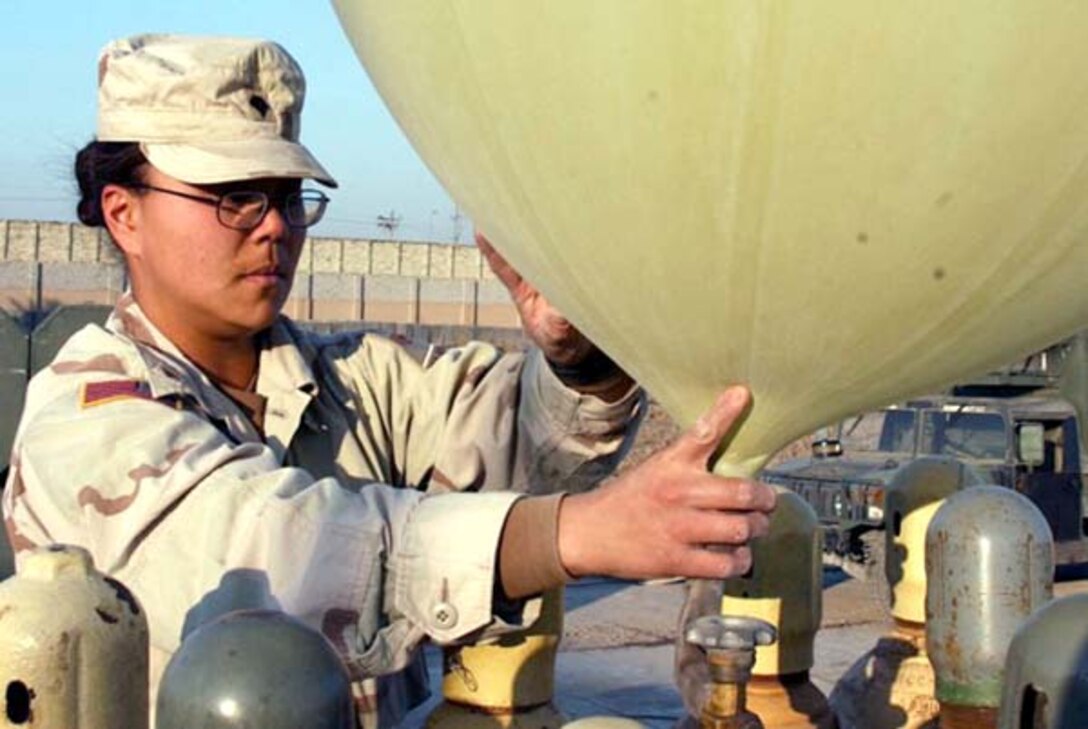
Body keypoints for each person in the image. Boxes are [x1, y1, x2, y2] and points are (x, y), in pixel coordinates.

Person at [1, 34, 776, 725]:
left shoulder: (346, 380)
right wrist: (578, 533)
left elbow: (520, 446)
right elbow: (271, 553)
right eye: (234, 197)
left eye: (287, 198)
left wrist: (577, 353)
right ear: (123, 213)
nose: (274, 225)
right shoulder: (87, 415)